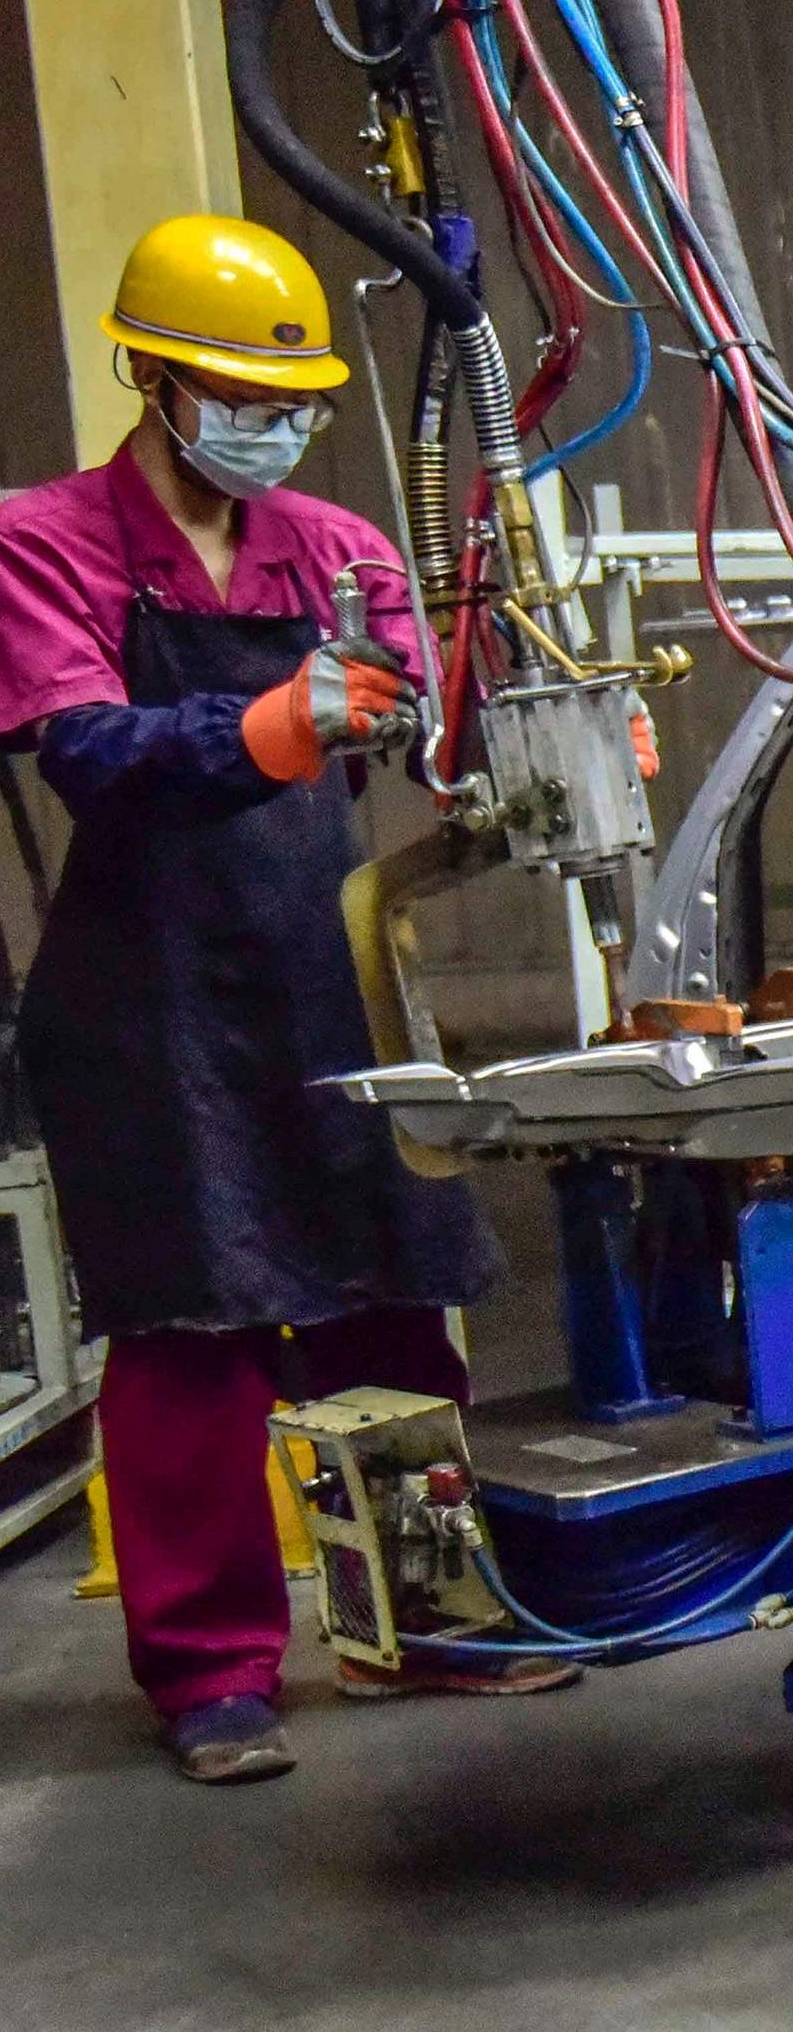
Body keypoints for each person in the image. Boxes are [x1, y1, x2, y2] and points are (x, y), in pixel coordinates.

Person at [0, 213, 554, 1786]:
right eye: (241, 392)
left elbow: (421, 728)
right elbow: (90, 756)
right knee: (192, 1332)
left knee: (391, 1300)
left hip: (329, 965)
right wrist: (267, 722)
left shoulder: (341, 548)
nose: (278, 423)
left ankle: (432, 1620)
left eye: (296, 396)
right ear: (156, 381)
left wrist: (521, 750)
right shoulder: (41, 540)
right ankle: (213, 1672)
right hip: (145, 993)